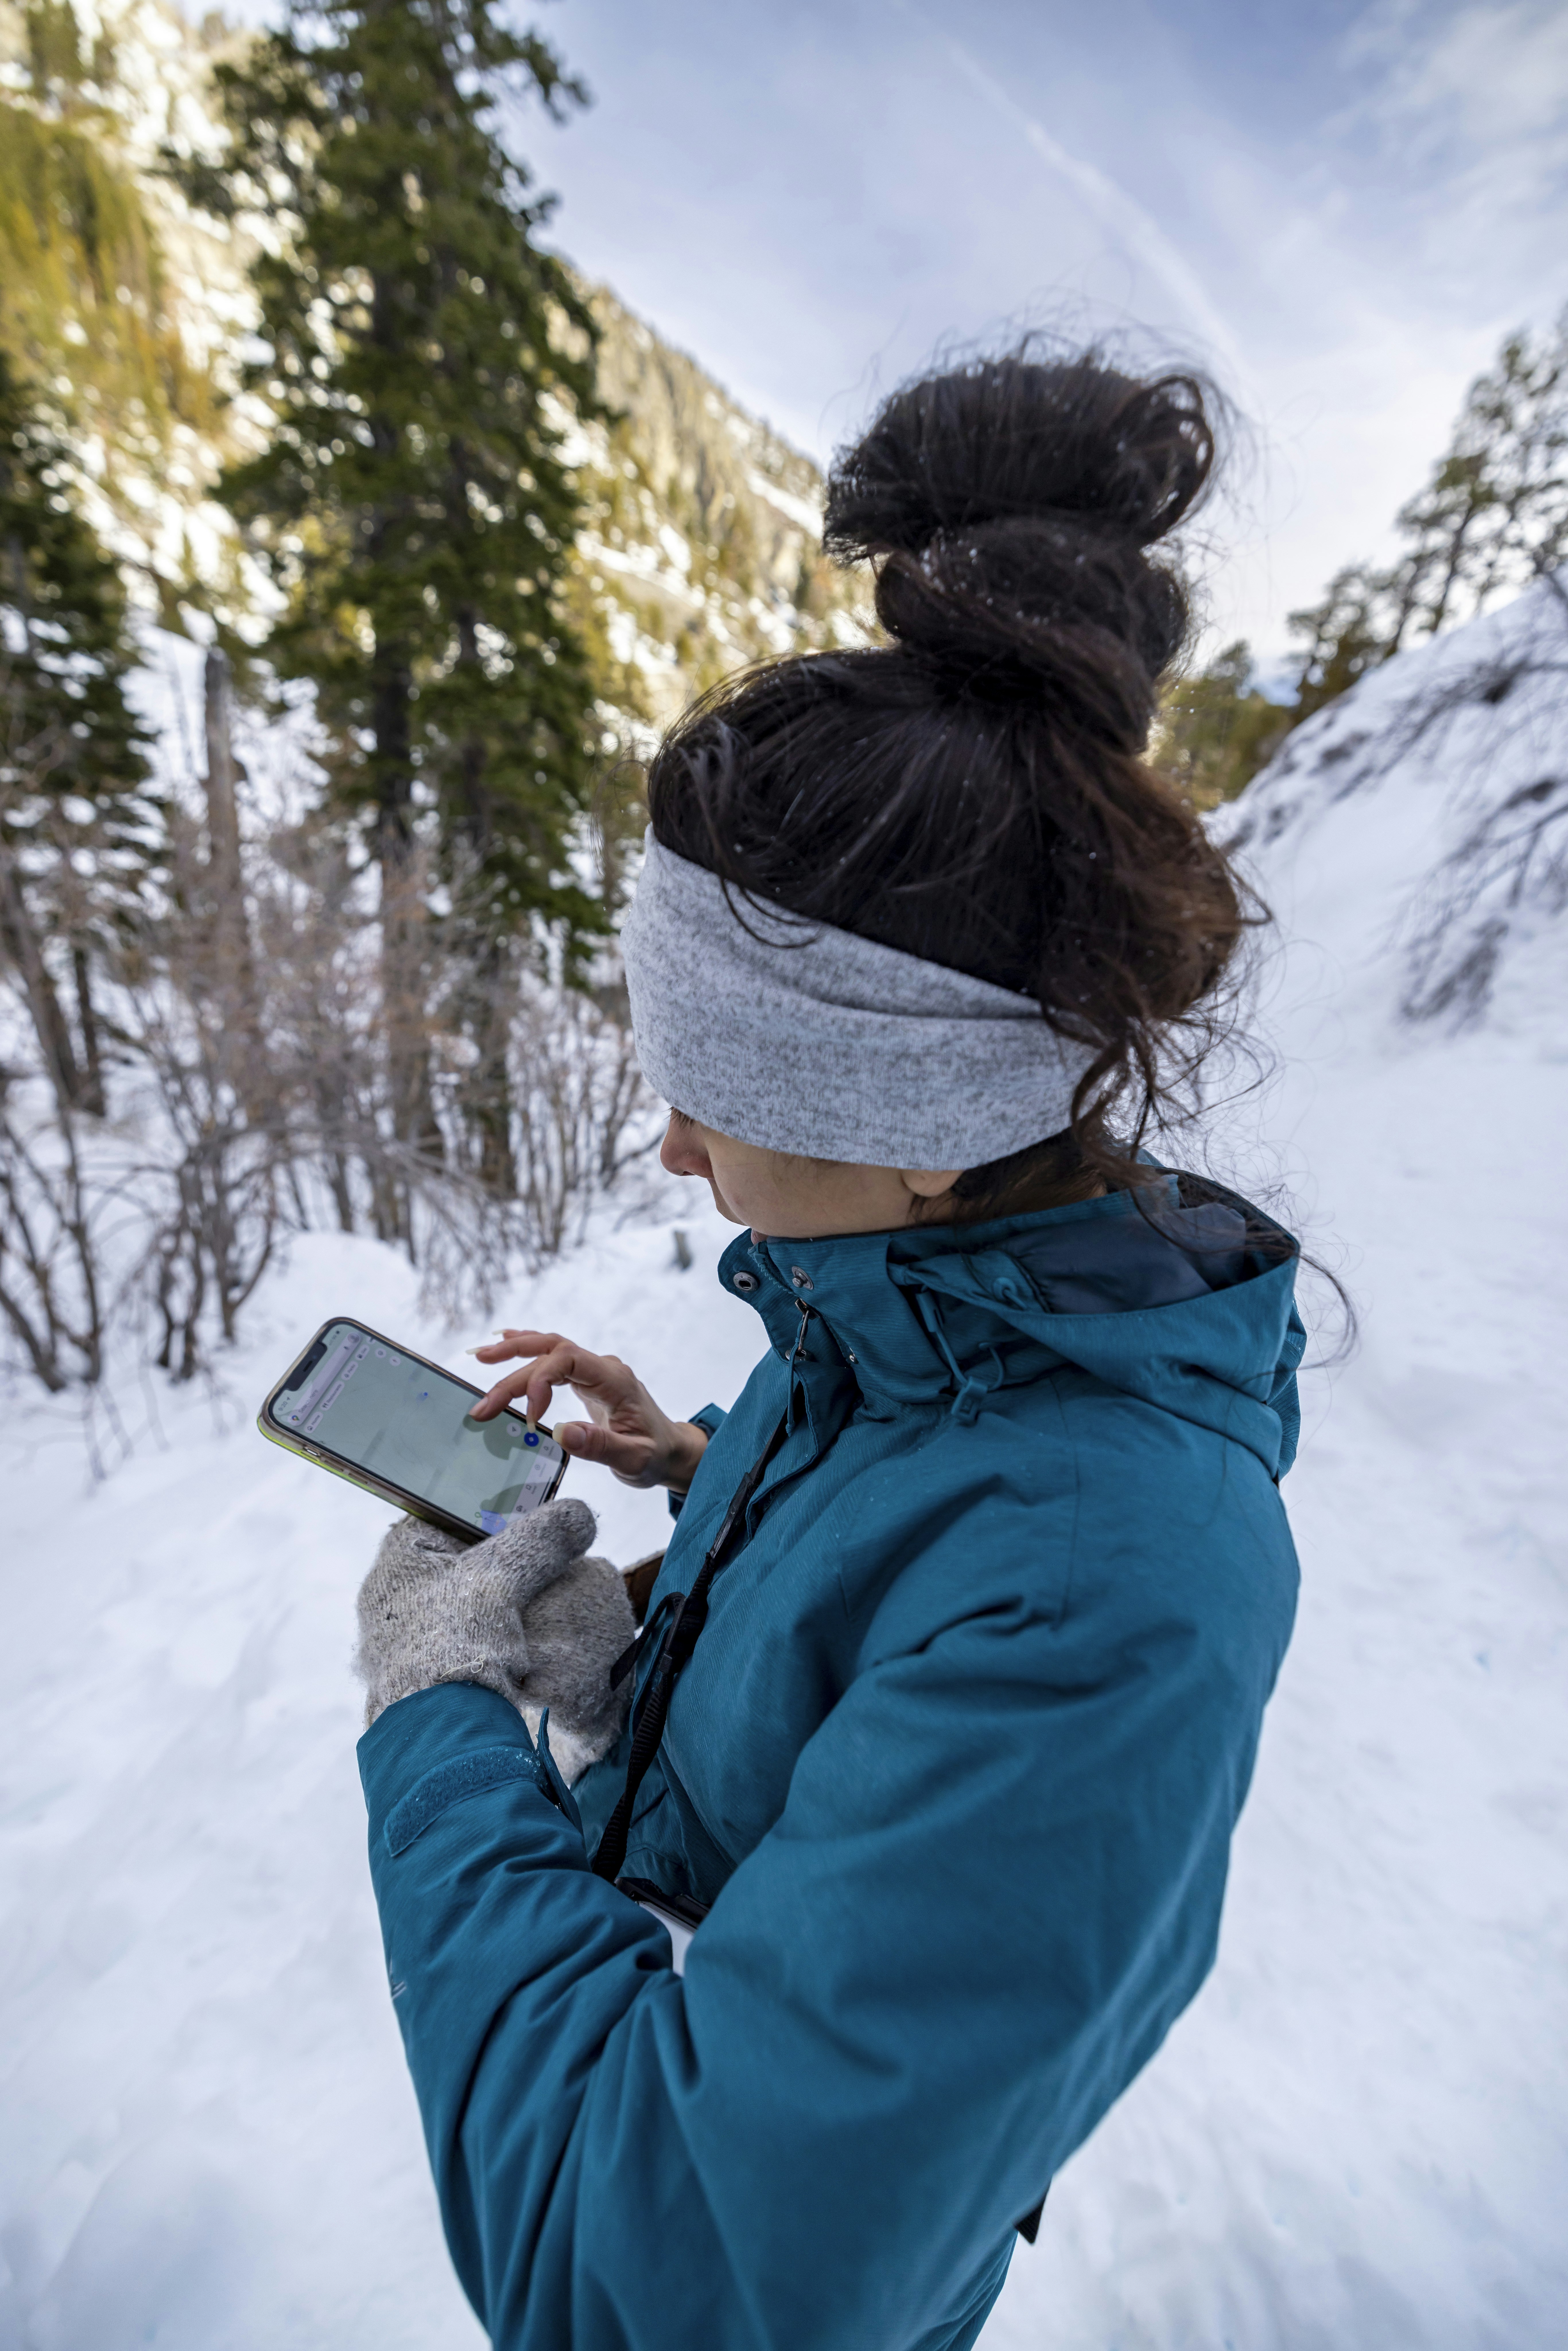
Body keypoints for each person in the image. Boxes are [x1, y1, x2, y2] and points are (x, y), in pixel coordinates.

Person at [352, 349, 1304, 2351]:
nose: (673, 1143)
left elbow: (657, 2281)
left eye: (719, 1091)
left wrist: (439, 1716)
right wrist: (703, 1494)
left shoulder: (1119, 1598)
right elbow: (910, 1526)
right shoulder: (910, 1297)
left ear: (913, 1111)